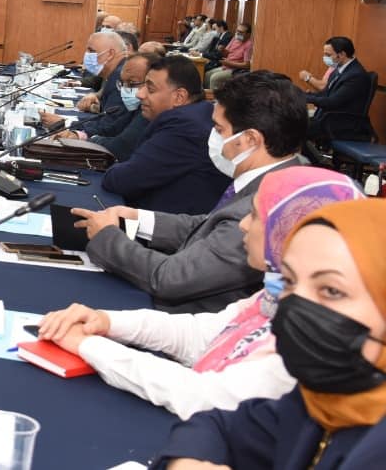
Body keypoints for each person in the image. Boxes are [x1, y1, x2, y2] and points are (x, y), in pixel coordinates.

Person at [39, 166, 363, 420]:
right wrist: (107, 322)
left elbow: (201, 396)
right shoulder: (277, 291)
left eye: (255, 215)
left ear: (290, 231)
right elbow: (202, 335)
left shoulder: (317, 330)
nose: (242, 225)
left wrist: (89, 346)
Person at [152, 198, 386, 469]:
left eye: (331, 290)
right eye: (289, 281)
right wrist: (188, 460)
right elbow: (218, 426)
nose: (296, 304)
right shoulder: (323, 397)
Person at [72, 71, 306, 313]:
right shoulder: (280, 175)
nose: (212, 136)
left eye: (219, 129)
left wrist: (108, 236)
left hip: (191, 315)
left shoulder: (265, 204)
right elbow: (208, 226)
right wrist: (138, 218)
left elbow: (171, 278)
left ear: (250, 139)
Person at [100, 55, 233, 214]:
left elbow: (122, 180)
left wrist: (114, 169)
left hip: (167, 225)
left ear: (179, 97)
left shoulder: (184, 128)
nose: (140, 94)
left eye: (150, 89)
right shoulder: (197, 113)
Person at [43, 30, 135, 140]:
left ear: (110, 54)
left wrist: (66, 123)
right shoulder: (116, 72)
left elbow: (108, 127)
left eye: (91, 51)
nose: (87, 54)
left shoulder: (121, 76)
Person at [64, 53, 152, 157]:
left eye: (132, 83)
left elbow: (120, 146)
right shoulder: (137, 107)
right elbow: (113, 128)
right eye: (122, 83)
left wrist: (87, 139)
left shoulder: (150, 112)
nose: (124, 89)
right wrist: (79, 135)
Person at [304, 36, 374, 145]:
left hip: (342, 124)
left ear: (341, 54)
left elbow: (332, 102)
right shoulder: (339, 70)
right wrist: (308, 95)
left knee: (294, 128)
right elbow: (326, 93)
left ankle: (311, 156)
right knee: (292, 123)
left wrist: (306, 98)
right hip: (329, 119)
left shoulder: (356, 75)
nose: (325, 58)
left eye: (328, 55)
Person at [206, 22, 254, 91]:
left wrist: (229, 63)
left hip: (235, 70)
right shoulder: (235, 39)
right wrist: (222, 49)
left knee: (214, 78)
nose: (238, 34)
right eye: (237, 31)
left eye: (241, 32)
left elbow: (246, 65)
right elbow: (226, 54)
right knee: (208, 74)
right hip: (226, 66)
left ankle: (216, 97)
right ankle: (208, 95)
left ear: (248, 34)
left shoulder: (248, 45)